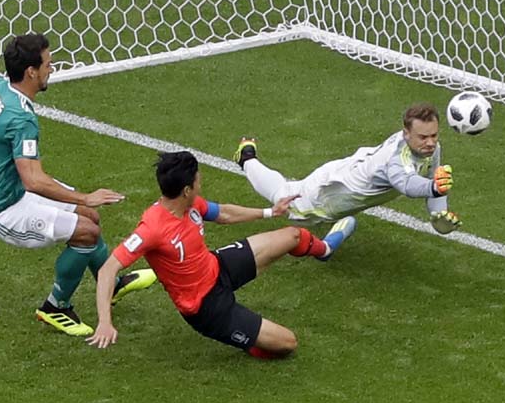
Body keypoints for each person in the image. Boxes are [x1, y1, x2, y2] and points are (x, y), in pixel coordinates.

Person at [0, 33, 156, 336]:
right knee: (87, 232)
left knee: (89, 217)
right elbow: (33, 179)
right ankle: (55, 307)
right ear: (31, 71)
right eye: (47, 64)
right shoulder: (21, 119)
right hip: (1, 209)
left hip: (11, 188)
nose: (50, 69)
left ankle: (111, 283)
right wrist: (86, 196)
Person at [87, 151, 333, 358]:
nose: (200, 182)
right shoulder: (152, 228)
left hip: (218, 267)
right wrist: (104, 322)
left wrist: (271, 212)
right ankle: (246, 340)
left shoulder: (190, 204)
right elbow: (108, 269)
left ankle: (326, 249)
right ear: (186, 190)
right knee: (288, 343)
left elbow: (224, 214)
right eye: (197, 180)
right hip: (206, 307)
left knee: (293, 235)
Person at [232, 102, 461, 255]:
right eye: (423, 137)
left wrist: (437, 215)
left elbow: (434, 183)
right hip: (330, 192)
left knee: (294, 197)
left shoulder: (431, 148)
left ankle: (328, 241)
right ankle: (246, 157)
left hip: (350, 170)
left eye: (434, 135)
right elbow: (408, 184)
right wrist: (434, 187)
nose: (430, 142)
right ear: (406, 133)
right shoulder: (396, 159)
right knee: (285, 198)